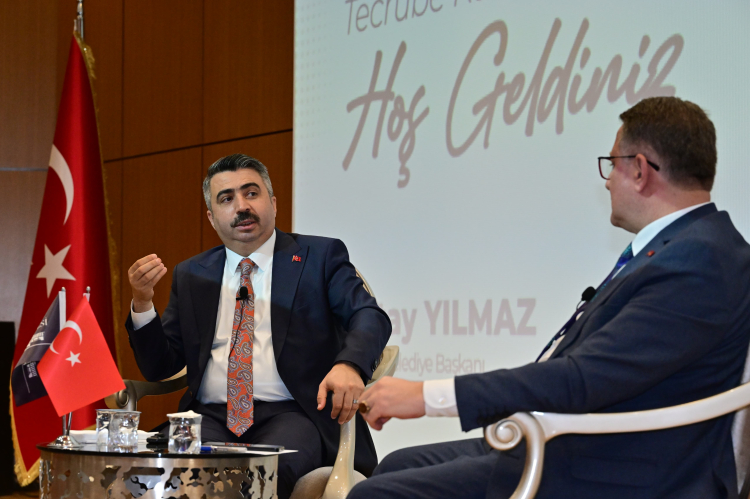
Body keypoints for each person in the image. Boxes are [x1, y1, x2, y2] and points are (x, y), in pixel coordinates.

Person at [350, 96, 750, 499]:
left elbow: (583, 378)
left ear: (640, 170)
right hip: (583, 443)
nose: (607, 181)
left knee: (372, 495)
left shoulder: (698, 260)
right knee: (395, 465)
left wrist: (425, 396)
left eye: (612, 164)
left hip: (616, 470)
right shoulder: (689, 246)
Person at [125, 154, 391, 499]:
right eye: (226, 199)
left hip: (293, 414)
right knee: (143, 476)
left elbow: (368, 315)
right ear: (212, 217)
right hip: (208, 418)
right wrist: (143, 303)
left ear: (273, 203)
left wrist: (350, 364)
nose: (241, 206)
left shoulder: (319, 256)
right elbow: (161, 365)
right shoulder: (192, 273)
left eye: (251, 193)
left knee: (256, 480)